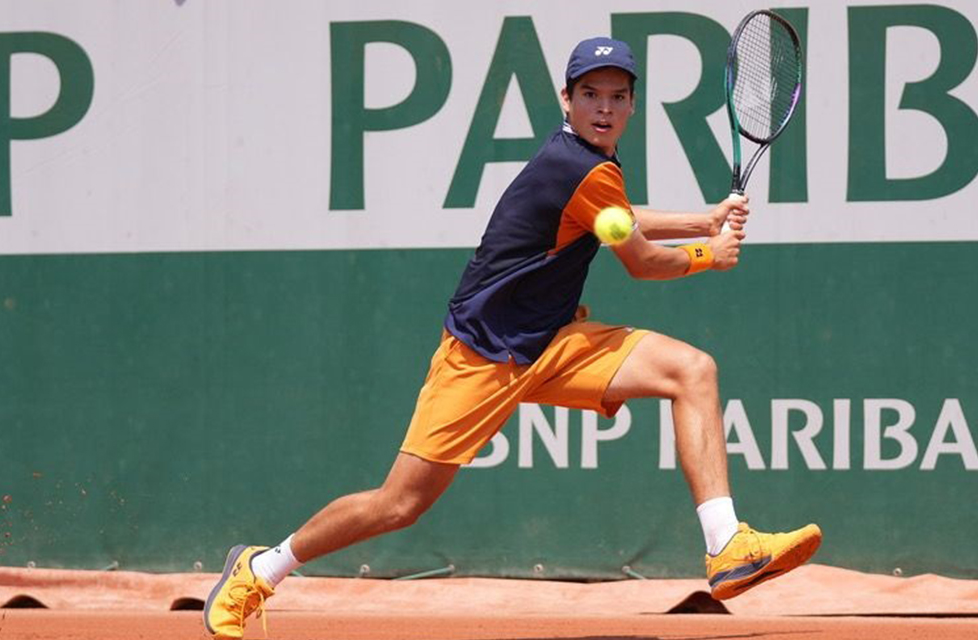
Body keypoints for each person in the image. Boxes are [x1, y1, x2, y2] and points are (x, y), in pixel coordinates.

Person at [203, 36, 821, 639]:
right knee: (398, 505)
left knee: (692, 370)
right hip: (483, 356)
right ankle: (259, 568)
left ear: (632, 104)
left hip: (553, 342)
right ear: (566, 99)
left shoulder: (593, 168)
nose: (604, 107)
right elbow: (640, 260)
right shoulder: (573, 166)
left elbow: (617, 219)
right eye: (590, 94)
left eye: (616, 95)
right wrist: (707, 252)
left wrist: (702, 215)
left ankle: (726, 545)